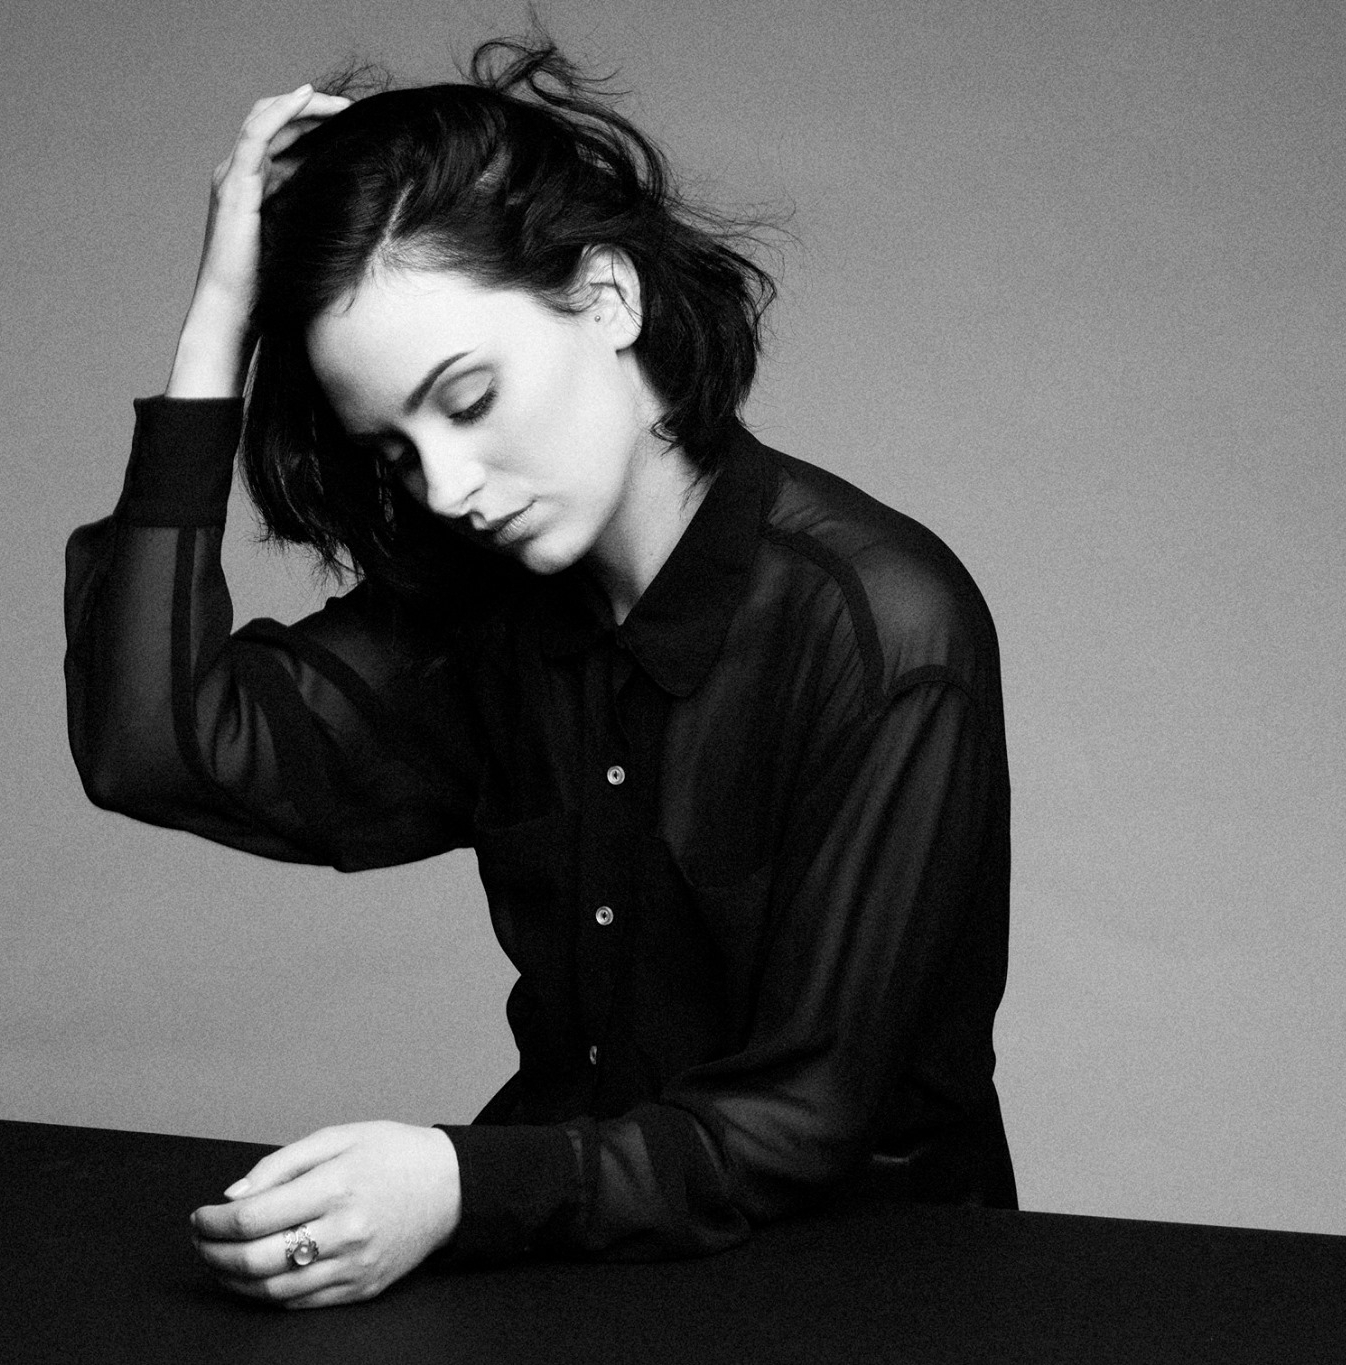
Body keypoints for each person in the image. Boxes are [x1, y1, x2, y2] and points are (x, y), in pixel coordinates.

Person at [64, 36, 1015, 1310]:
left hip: (862, 1299)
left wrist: (458, 1185)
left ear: (607, 298)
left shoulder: (878, 628)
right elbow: (155, 745)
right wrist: (220, 318)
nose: (445, 486)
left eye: (466, 399)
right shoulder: (487, 609)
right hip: (569, 1271)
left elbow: (804, 1122)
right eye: (395, 450)